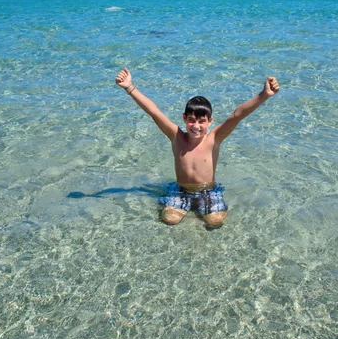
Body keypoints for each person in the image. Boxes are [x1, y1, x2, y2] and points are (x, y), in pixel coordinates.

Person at [115, 68, 280, 228]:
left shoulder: (214, 139)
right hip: (181, 190)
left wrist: (264, 95)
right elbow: (154, 112)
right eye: (192, 120)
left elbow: (237, 115)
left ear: (210, 121)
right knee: (170, 219)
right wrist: (130, 87)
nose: (196, 126)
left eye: (202, 121)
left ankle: (199, 213)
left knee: (215, 222)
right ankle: (186, 212)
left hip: (207, 190)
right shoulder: (176, 137)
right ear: (184, 118)